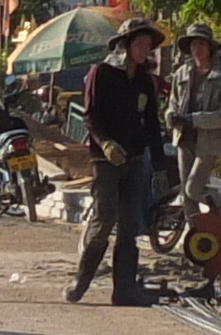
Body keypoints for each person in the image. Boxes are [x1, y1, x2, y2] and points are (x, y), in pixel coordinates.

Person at [66, 19, 166, 306]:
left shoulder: (146, 81)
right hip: (105, 159)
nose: (144, 50)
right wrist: (106, 143)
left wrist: (159, 166)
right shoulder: (102, 73)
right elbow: (91, 116)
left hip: (134, 160)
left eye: (148, 45)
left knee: (130, 225)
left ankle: (124, 289)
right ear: (125, 45)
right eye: (140, 44)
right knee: (104, 218)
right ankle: (81, 280)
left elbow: (152, 126)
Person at [167, 24, 221, 200]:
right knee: (186, 194)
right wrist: (170, 116)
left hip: (209, 142)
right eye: (193, 44)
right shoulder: (182, 73)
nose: (197, 49)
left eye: (201, 44)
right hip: (184, 139)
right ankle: (195, 226)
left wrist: (196, 120)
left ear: (210, 47)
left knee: (194, 189)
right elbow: (173, 103)